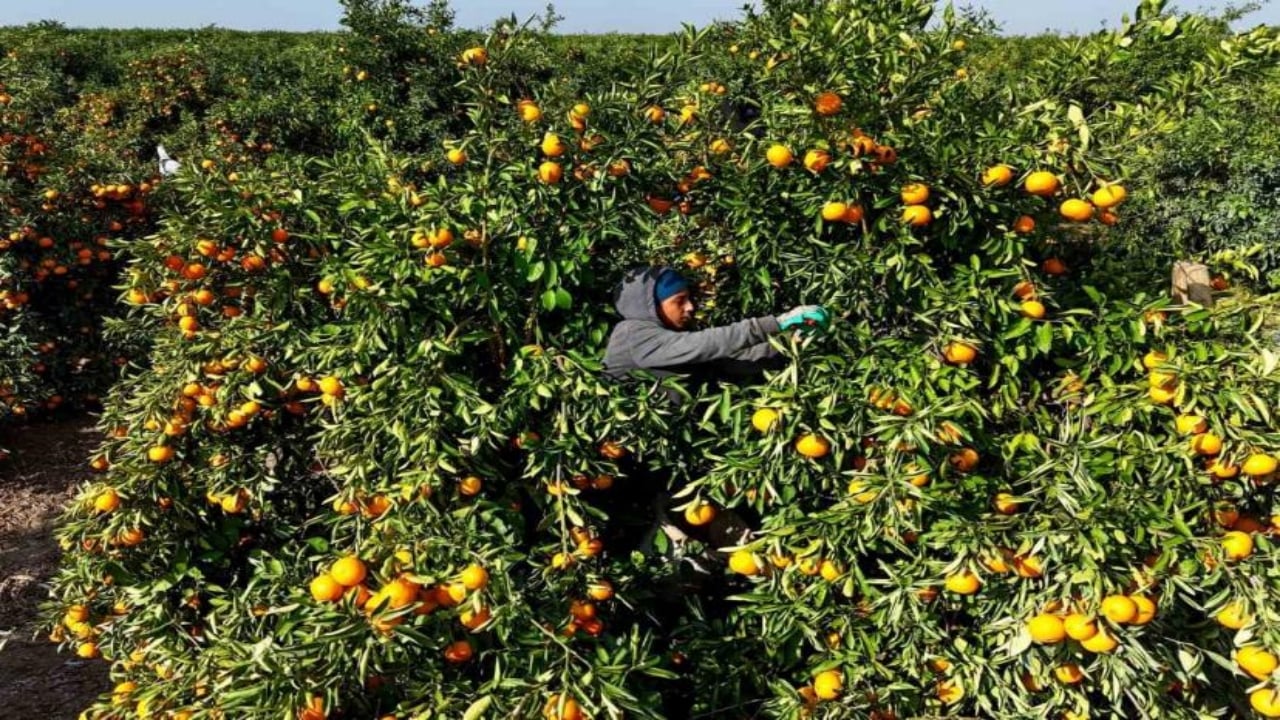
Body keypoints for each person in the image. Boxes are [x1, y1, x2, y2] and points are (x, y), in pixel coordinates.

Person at [603, 265, 830, 405]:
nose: (690, 307)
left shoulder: (678, 339)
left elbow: (733, 361)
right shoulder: (632, 332)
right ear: (651, 305)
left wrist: (793, 343)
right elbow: (705, 344)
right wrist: (775, 323)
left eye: (689, 299)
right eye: (679, 301)